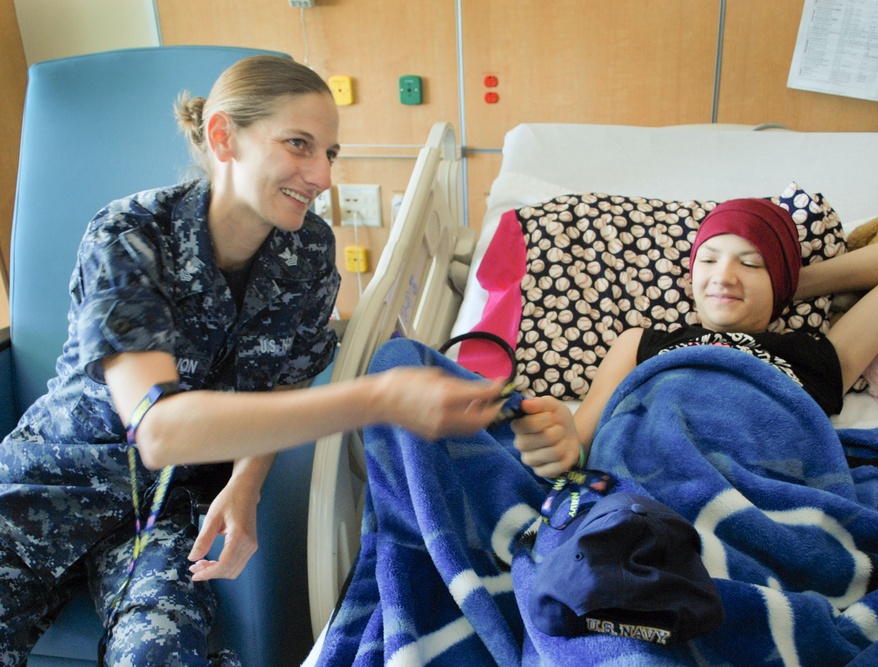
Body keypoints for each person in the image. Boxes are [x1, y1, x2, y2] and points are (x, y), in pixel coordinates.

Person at [0, 55, 503, 666]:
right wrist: (381, 398)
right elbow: (157, 429)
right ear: (222, 136)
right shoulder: (130, 235)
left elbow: (278, 387)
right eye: (298, 144)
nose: (320, 174)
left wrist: (244, 484)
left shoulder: (309, 253)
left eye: (331, 154)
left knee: (159, 654)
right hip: (55, 480)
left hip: (170, 514)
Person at [511, 198, 878, 479]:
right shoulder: (641, 342)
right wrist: (560, 444)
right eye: (709, 259)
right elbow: (582, 443)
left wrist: (788, 285)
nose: (723, 276)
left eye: (751, 263)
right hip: (648, 481)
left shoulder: (817, 354)